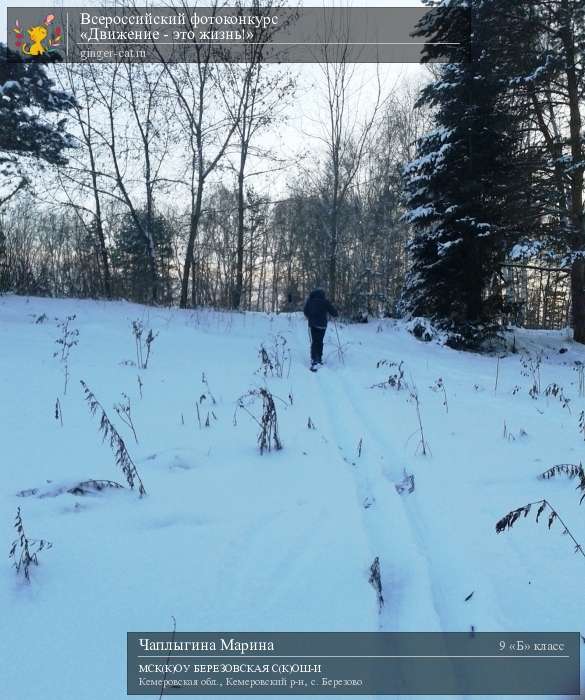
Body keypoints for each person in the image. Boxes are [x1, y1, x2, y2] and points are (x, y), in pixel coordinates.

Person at [303, 288, 338, 368]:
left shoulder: (310, 301)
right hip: (322, 325)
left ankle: (314, 358)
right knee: (320, 341)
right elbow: (333, 311)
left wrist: (310, 317)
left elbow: (305, 311)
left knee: (314, 341)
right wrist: (335, 314)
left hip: (313, 324)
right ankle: (319, 357)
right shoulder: (325, 301)